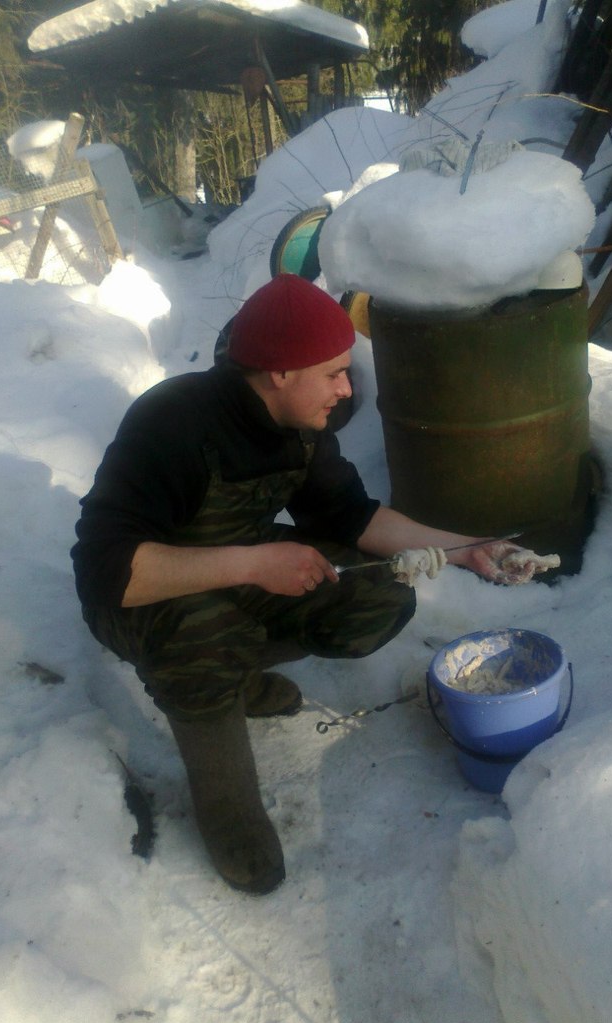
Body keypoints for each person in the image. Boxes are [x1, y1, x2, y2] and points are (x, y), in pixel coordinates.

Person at [72, 273, 550, 895]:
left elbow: (353, 517)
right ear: (279, 372)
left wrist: (465, 550)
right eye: (332, 373)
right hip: (141, 596)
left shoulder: (302, 425)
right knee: (202, 636)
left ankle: (234, 674)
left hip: (235, 568)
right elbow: (107, 573)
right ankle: (227, 807)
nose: (347, 388)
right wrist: (252, 564)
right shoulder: (173, 423)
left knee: (375, 596)